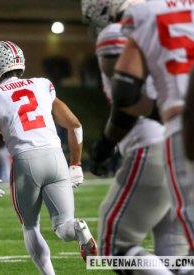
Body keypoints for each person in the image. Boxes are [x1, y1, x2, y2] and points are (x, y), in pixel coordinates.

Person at [82, 0, 188, 270]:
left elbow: (127, 100)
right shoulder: (177, 23)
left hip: (153, 146)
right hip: (185, 145)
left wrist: (105, 145)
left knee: (112, 249)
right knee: (175, 256)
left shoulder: (118, 31)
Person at [0, 40, 96, 274]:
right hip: (56, 158)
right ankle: (80, 228)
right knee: (63, 227)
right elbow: (75, 125)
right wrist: (76, 164)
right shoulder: (42, 84)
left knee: (30, 226)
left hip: (26, 161)